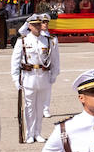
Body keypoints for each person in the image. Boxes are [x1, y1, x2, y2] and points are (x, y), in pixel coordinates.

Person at [11, 14, 59, 142]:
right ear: (29, 26)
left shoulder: (48, 40)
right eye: (35, 25)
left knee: (40, 107)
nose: (38, 27)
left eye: (39, 24)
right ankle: (29, 133)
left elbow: (55, 59)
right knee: (29, 107)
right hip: (29, 77)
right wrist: (16, 79)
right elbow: (15, 62)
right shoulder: (23, 41)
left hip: (43, 77)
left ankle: (38, 132)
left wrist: (54, 74)